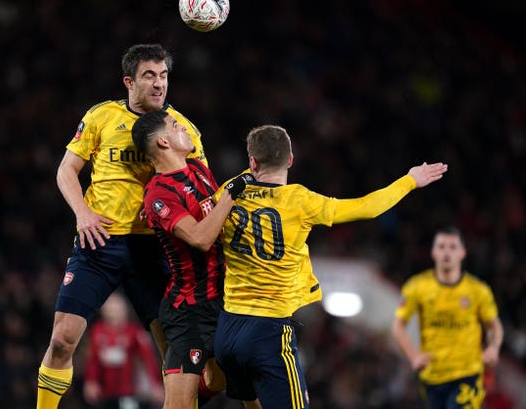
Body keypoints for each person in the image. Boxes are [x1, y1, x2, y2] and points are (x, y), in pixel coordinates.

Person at [213, 124, 449, 409]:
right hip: (267, 330)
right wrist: (409, 180)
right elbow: (366, 207)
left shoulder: (229, 192)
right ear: (290, 160)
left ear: (251, 161)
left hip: (227, 329)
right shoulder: (301, 200)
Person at [36, 43, 208, 409]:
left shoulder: (181, 129)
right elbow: (66, 170)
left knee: (173, 352)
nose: (159, 84)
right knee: (63, 339)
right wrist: (82, 213)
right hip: (99, 243)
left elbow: (201, 184)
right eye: (149, 75)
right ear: (129, 80)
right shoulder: (101, 117)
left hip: (156, 249)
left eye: (163, 75)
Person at [131, 110, 259, 409]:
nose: (184, 127)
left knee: (222, 381)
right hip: (190, 311)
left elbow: (218, 219)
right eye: (176, 125)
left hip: (226, 299)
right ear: (163, 141)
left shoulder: (198, 168)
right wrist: (230, 194)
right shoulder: (159, 195)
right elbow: (201, 238)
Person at [391, 226, 504, 409]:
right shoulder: (417, 287)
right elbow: (398, 326)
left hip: (468, 373)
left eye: (453, 247)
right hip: (432, 375)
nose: (447, 252)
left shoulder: (477, 290)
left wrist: (493, 347)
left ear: (462, 252)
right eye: (442, 246)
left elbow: (493, 326)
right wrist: (413, 356)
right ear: (433, 252)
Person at [83, 292, 164, 409]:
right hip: (105, 393)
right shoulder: (96, 332)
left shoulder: (135, 332)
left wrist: (155, 384)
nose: (113, 311)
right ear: (103, 310)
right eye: (110, 307)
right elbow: (92, 360)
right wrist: (90, 381)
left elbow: (148, 359)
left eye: (116, 307)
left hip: (131, 392)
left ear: (124, 309)